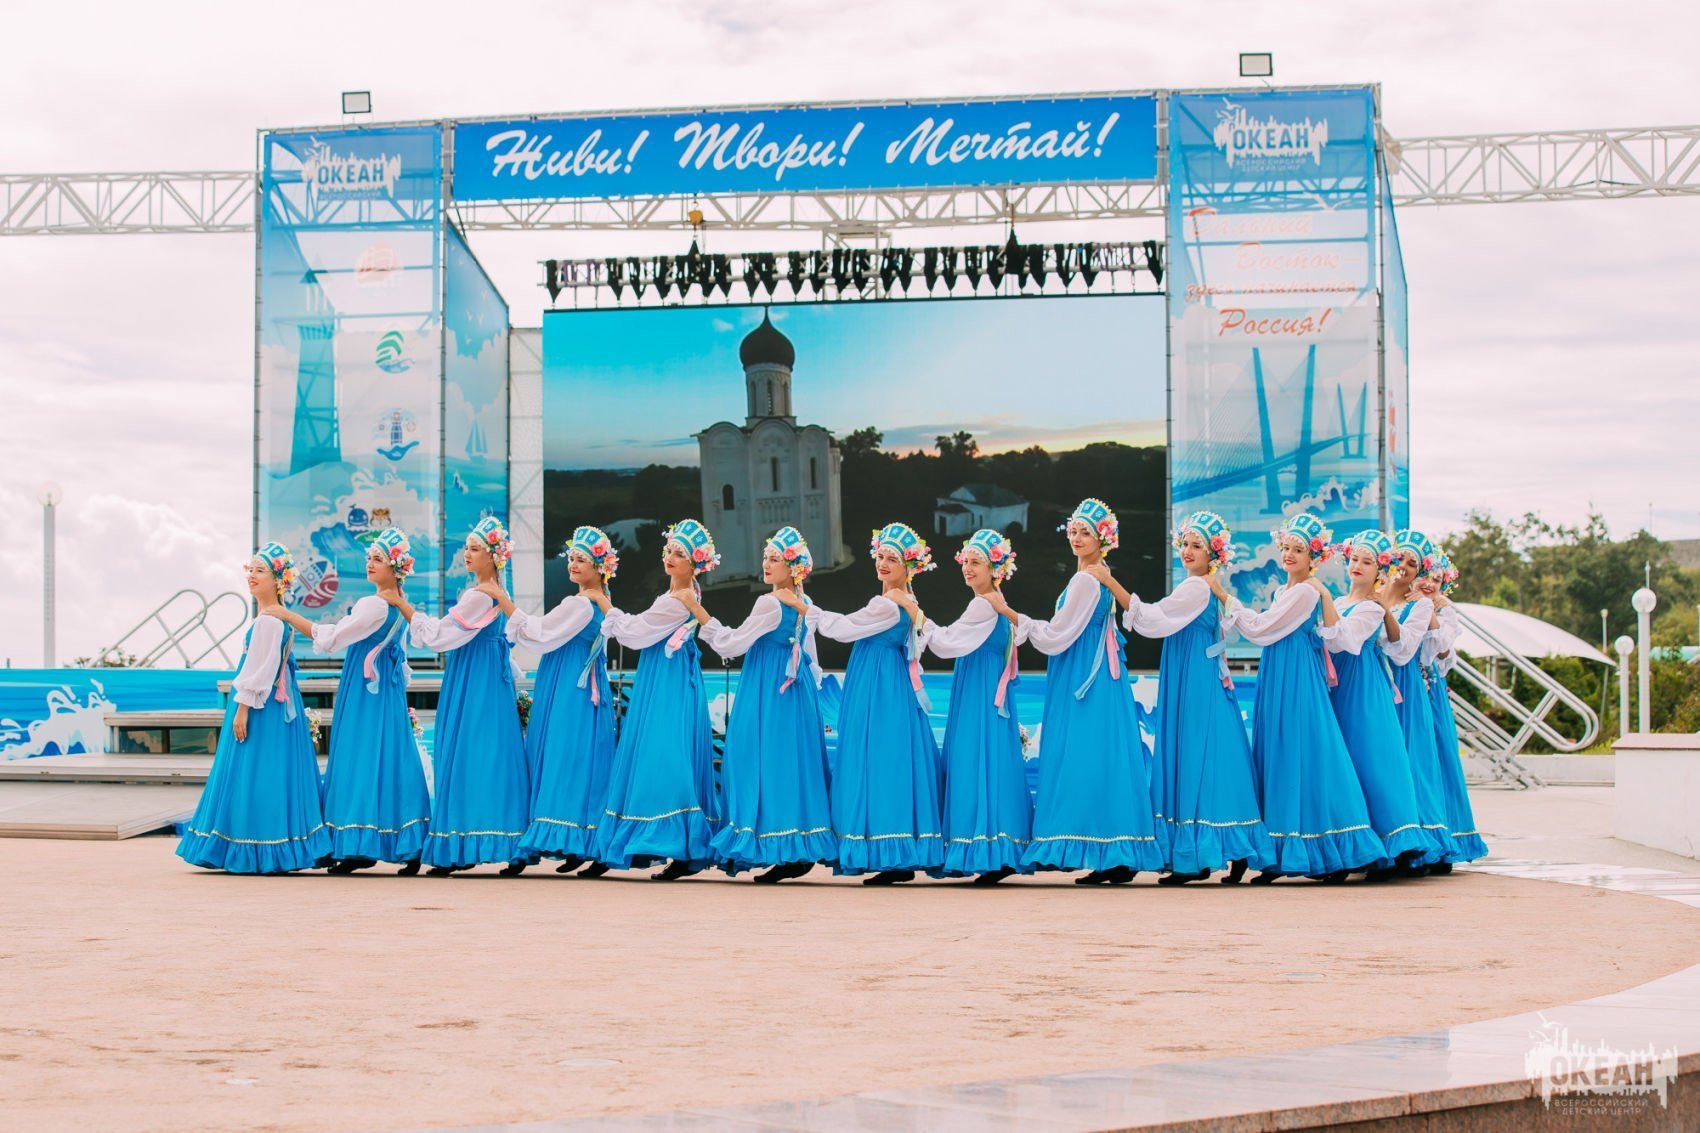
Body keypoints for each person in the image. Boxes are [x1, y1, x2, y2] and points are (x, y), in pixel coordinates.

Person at [1218, 514, 1383, 883]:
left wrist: (1227, 599)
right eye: (1287, 547)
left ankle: (1329, 849)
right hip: (1279, 672)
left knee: (1301, 751)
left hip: (1296, 678)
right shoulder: (1285, 592)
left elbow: (1262, 629)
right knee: (1279, 752)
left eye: (1299, 549)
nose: (1290, 554)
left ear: (1314, 557)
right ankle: (1279, 852)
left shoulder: (1306, 592)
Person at [1019, 499, 1165, 884]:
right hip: (1098, 676)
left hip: (1084, 675)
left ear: (1103, 539)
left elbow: (1059, 634)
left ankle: (1101, 850)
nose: (1078, 538)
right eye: (1074, 531)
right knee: (1104, 756)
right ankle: (1113, 852)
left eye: (1086, 532)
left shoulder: (1086, 580)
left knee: (1084, 754)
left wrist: (1023, 624)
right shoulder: (1097, 576)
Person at [269, 528, 432, 875]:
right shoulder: (396, 606)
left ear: (395, 567)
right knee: (391, 758)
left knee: (358, 757)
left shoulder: (374, 605)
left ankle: (357, 844)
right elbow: (402, 662)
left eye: (378, 559)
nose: (370, 563)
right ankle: (405, 841)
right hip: (386, 693)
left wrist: (288, 616)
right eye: (369, 557)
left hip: (363, 692)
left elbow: (332, 639)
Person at [1124, 510, 1273, 885]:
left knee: (1195, 755)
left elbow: (1154, 618)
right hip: (1200, 675)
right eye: (1185, 544)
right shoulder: (1201, 586)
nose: (1187, 551)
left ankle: (1197, 855)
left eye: (1197, 545)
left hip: (1195, 679)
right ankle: (1229, 847)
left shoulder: (1196, 588)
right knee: (1217, 756)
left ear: (1213, 554)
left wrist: (1116, 589)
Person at [388, 517, 531, 877]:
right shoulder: (495, 593)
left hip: (473, 680)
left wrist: (405, 607)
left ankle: (461, 844)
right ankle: (501, 842)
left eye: (475, 548)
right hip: (489, 679)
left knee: (468, 752)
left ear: (493, 556)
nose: (467, 553)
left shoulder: (479, 595)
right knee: (493, 754)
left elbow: (440, 636)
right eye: (467, 547)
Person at [177, 542, 331, 874]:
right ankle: (270, 845)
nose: (252, 575)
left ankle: (250, 845)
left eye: (261, 570)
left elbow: (260, 669)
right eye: (251, 569)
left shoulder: (269, 622)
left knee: (253, 771)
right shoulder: (273, 619)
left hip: (261, 708)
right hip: (273, 706)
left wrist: (243, 707)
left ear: (278, 580)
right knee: (267, 772)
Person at [699, 526, 837, 883]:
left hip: (769, 690)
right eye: (766, 557)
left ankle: (778, 846)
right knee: (791, 764)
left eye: (775, 559)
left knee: (758, 759)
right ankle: (795, 847)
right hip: (796, 691)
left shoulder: (770, 602)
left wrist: (705, 621)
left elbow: (733, 644)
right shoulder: (801, 602)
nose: (767, 564)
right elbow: (811, 656)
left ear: (793, 567)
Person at [812, 522, 944, 885]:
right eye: (880, 556)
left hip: (878, 687)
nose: (882, 564)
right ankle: (897, 852)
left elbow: (842, 630)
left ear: (908, 566)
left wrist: (808, 610)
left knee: (878, 758)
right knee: (892, 758)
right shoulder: (907, 599)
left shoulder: (886, 603)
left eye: (892, 559)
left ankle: (889, 851)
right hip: (889, 682)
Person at [595, 519, 722, 881]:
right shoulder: (683, 593)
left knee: (665, 754)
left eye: (680, 553)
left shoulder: (678, 600)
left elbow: (635, 633)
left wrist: (605, 605)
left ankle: (676, 842)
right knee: (669, 752)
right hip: (670, 675)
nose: (670, 556)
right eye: (669, 549)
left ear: (695, 563)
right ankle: (675, 843)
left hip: (667, 680)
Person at [495, 526, 619, 878]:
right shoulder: (597, 601)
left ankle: (579, 841)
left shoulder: (580, 604)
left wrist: (504, 601)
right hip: (580, 687)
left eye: (582, 559)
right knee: (583, 761)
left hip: (569, 690)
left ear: (600, 566)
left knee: (563, 759)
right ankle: (581, 842)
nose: (573, 564)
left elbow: (539, 633)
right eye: (572, 558)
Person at [1325, 530, 1447, 875]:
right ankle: (1360, 840)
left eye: (1368, 561)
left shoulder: (1404, 606)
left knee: (1383, 758)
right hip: (1342, 682)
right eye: (1355, 559)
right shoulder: (1342, 601)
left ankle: (1400, 841)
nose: (1404, 567)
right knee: (1353, 760)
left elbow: (1403, 649)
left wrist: (1384, 610)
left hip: (1374, 681)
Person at [921, 528, 1032, 884]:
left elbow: (947, 643)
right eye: (965, 561)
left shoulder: (983, 604)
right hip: (987, 692)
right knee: (993, 761)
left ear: (994, 568)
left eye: (976, 562)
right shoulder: (995, 601)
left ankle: (985, 850)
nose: (967, 568)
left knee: (975, 759)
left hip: (979, 695)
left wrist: (919, 619)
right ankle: (999, 849)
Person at [1382, 529, 1455, 870]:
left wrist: (1434, 607)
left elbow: (1434, 653)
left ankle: (1420, 842)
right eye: (1399, 559)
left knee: (1412, 759)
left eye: (1412, 564)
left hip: (1406, 685)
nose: (1404, 567)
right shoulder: (1374, 596)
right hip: (1373, 681)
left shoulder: (1421, 606)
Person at [1418, 553, 1488, 870]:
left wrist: (1429, 611)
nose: (1430, 584)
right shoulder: (1403, 601)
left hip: (1430, 690)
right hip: (1405, 688)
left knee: (1438, 760)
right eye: (1426, 577)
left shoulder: (1444, 611)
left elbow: (1443, 652)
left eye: (1437, 580)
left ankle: (1445, 839)